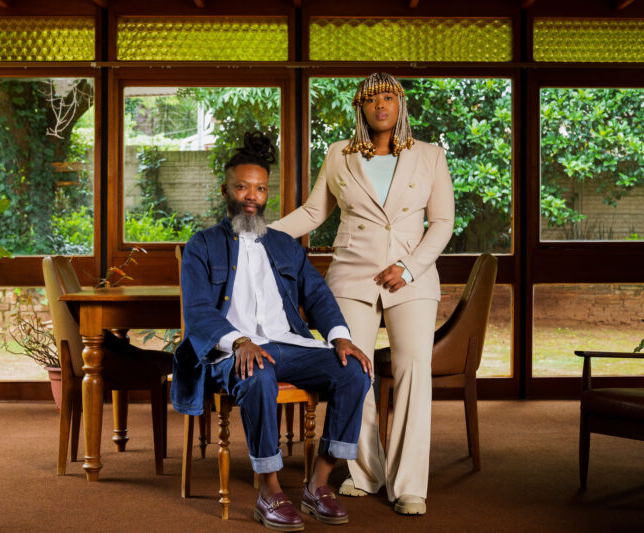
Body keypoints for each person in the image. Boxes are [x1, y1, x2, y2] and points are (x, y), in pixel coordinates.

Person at [269, 72, 455, 516]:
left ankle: (410, 485)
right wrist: (259, 234)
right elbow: (313, 211)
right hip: (353, 275)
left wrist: (408, 267)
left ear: (400, 103)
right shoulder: (339, 154)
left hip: (411, 277)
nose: (381, 105)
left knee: (413, 370)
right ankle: (367, 472)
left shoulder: (431, 156)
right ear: (361, 107)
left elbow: (442, 223)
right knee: (354, 368)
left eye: (389, 97)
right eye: (372, 99)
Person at [171, 131, 373, 532]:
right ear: (226, 190)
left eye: (260, 188)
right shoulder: (202, 246)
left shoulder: (285, 245)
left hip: (288, 344)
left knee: (355, 370)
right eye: (242, 187)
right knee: (257, 372)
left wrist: (340, 337)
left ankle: (319, 484)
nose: (252, 196)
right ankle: (270, 490)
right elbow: (197, 313)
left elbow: (318, 295)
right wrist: (240, 341)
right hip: (230, 353)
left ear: (267, 194)